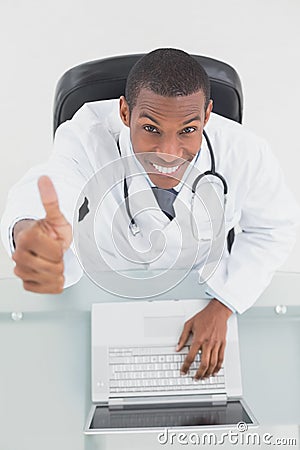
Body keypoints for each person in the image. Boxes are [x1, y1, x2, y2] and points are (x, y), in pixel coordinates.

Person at [1, 48, 299, 381]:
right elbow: (52, 184)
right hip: (101, 308)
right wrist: (30, 235)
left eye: (187, 130)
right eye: (151, 129)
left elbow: (274, 229)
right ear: (125, 113)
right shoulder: (86, 136)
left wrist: (223, 306)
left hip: (198, 310)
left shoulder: (245, 152)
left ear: (208, 115)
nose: (169, 153)